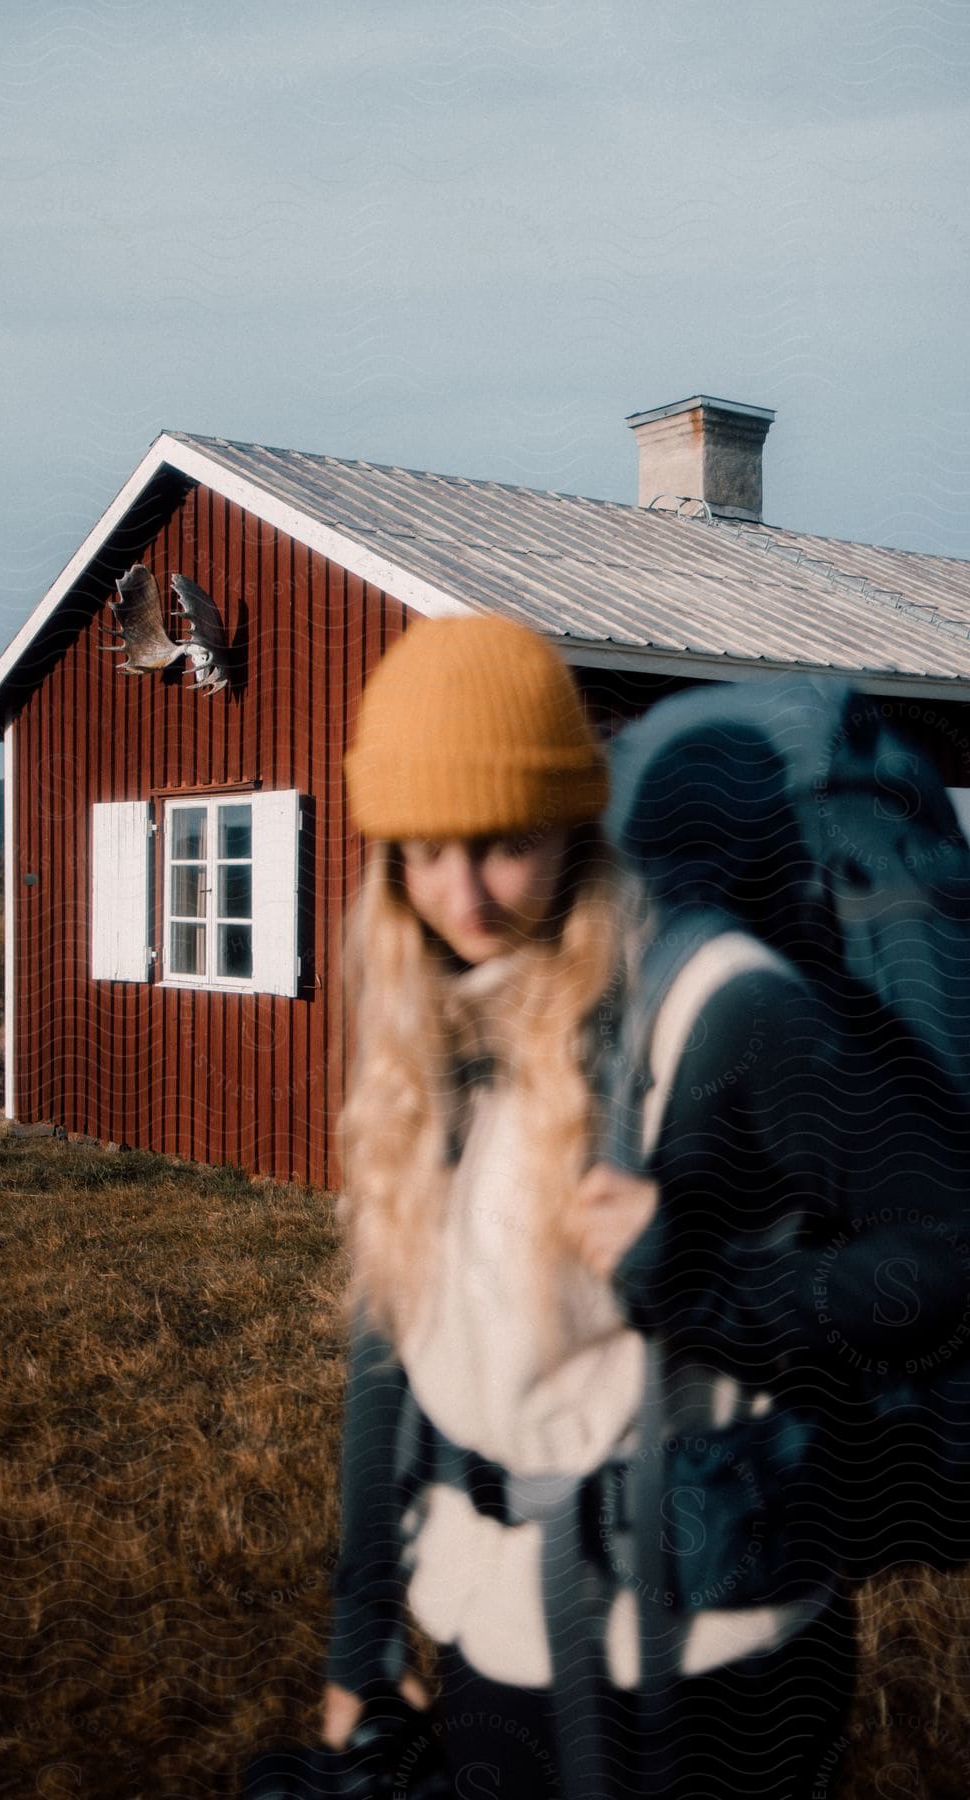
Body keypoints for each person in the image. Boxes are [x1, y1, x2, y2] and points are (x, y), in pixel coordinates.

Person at [318, 614, 860, 1800]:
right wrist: (361, 1632)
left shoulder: (718, 1009)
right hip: (491, 1631)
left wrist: (697, 1279)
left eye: (504, 841)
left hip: (708, 1658)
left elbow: (927, 1282)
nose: (462, 892)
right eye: (422, 849)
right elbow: (386, 1351)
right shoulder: (429, 1033)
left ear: (575, 819)